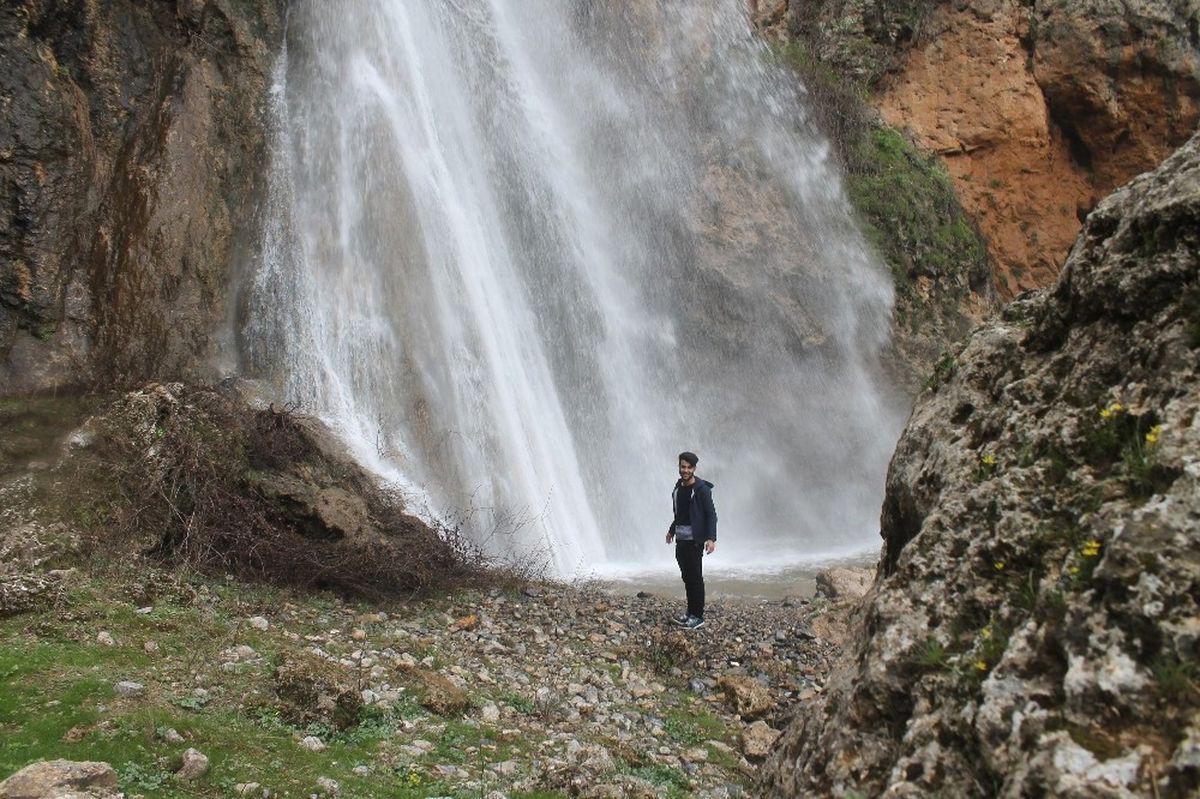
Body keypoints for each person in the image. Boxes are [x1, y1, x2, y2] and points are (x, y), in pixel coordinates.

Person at [666, 451, 716, 629]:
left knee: (695, 577)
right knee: (687, 577)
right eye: (682, 467)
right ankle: (690, 613)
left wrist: (711, 539)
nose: (685, 470)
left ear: (694, 468)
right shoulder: (679, 487)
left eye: (688, 467)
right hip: (681, 539)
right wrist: (671, 530)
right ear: (679, 467)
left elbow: (711, 515)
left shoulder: (701, 490)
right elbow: (680, 514)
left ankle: (698, 616)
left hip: (695, 541)